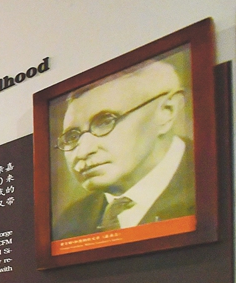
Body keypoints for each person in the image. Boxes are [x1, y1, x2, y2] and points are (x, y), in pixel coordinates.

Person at [53, 58, 194, 240]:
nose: (83, 151)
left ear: (166, 112)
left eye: (105, 122)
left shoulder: (216, 183)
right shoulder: (70, 222)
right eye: (72, 136)